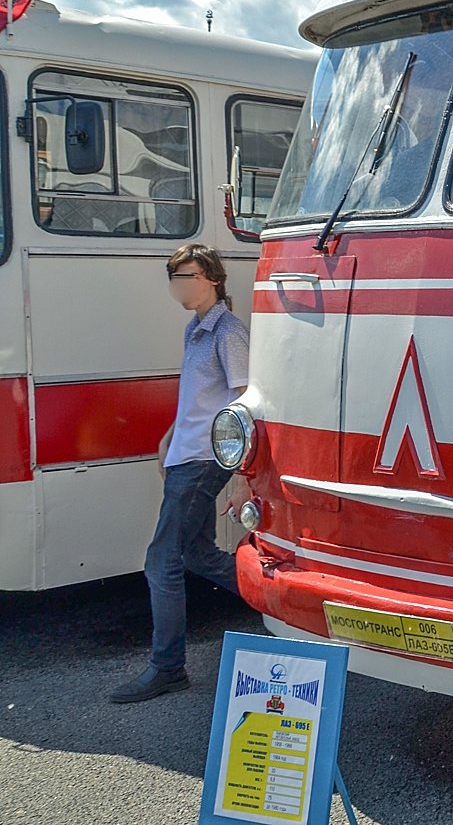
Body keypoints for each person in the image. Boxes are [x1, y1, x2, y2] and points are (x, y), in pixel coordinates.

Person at [109, 244, 250, 704]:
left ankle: (168, 668)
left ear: (210, 276)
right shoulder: (195, 329)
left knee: (160, 561)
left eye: (185, 275)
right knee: (198, 555)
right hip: (184, 454)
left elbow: (245, 405)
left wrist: (245, 476)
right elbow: (201, 399)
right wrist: (170, 435)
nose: (178, 284)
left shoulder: (227, 331)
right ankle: (276, 597)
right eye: (173, 275)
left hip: (202, 462)